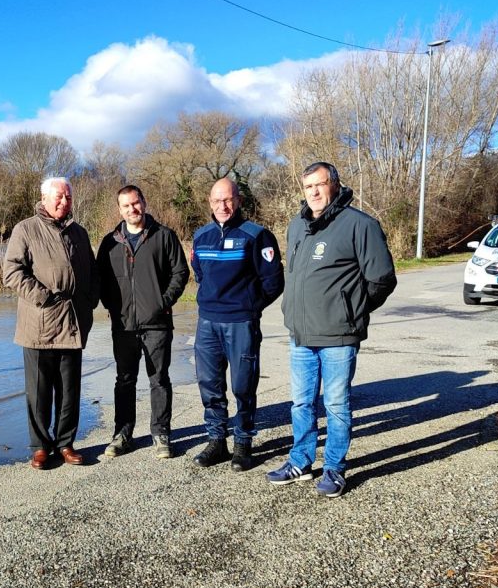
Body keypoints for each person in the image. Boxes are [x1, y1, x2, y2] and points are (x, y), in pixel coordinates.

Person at [267, 161, 397, 498]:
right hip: (300, 334)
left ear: (335, 185)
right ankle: (300, 461)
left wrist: (350, 309)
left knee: (337, 405)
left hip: (339, 335)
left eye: (320, 184)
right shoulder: (297, 226)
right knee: (301, 404)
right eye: (308, 186)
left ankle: (335, 468)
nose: (313, 192)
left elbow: (381, 279)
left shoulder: (360, 225)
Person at [3, 177, 99, 470]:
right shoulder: (26, 229)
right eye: (58, 197)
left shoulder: (79, 233)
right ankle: (41, 447)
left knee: (69, 389)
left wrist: (90, 300)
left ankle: (66, 443)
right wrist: (43, 297)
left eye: (68, 197)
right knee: (39, 390)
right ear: (44, 198)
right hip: (39, 323)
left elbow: (92, 272)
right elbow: (11, 271)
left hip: (73, 322)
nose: (64, 202)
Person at [191, 177, 284, 470]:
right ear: (209, 202)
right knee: (210, 385)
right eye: (217, 200)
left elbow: (273, 282)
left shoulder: (256, 236)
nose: (223, 206)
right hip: (207, 323)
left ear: (239, 201)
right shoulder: (200, 236)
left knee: (243, 385)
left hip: (240, 323)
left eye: (228, 199)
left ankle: (243, 442)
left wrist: (249, 307)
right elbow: (200, 275)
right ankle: (217, 440)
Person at [97, 185, 190, 459]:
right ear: (119, 209)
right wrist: (113, 307)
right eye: (126, 206)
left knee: (158, 378)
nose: (132, 209)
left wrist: (162, 304)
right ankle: (122, 434)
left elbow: (180, 273)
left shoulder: (164, 236)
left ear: (144, 203)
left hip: (157, 324)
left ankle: (161, 434)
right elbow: (100, 280)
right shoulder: (110, 242)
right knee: (124, 380)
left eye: (135, 203)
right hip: (123, 325)